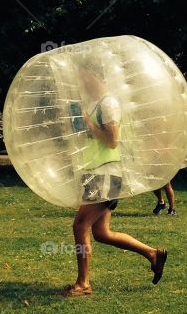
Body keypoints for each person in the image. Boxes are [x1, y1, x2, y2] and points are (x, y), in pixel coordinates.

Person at [64, 61, 167, 296]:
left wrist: (89, 124)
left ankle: (83, 284)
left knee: (80, 225)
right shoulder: (94, 104)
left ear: (96, 77)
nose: (82, 83)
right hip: (95, 172)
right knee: (102, 233)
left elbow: (112, 141)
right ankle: (153, 254)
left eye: (85, 78)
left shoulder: (108, 103)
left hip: (106, 174)